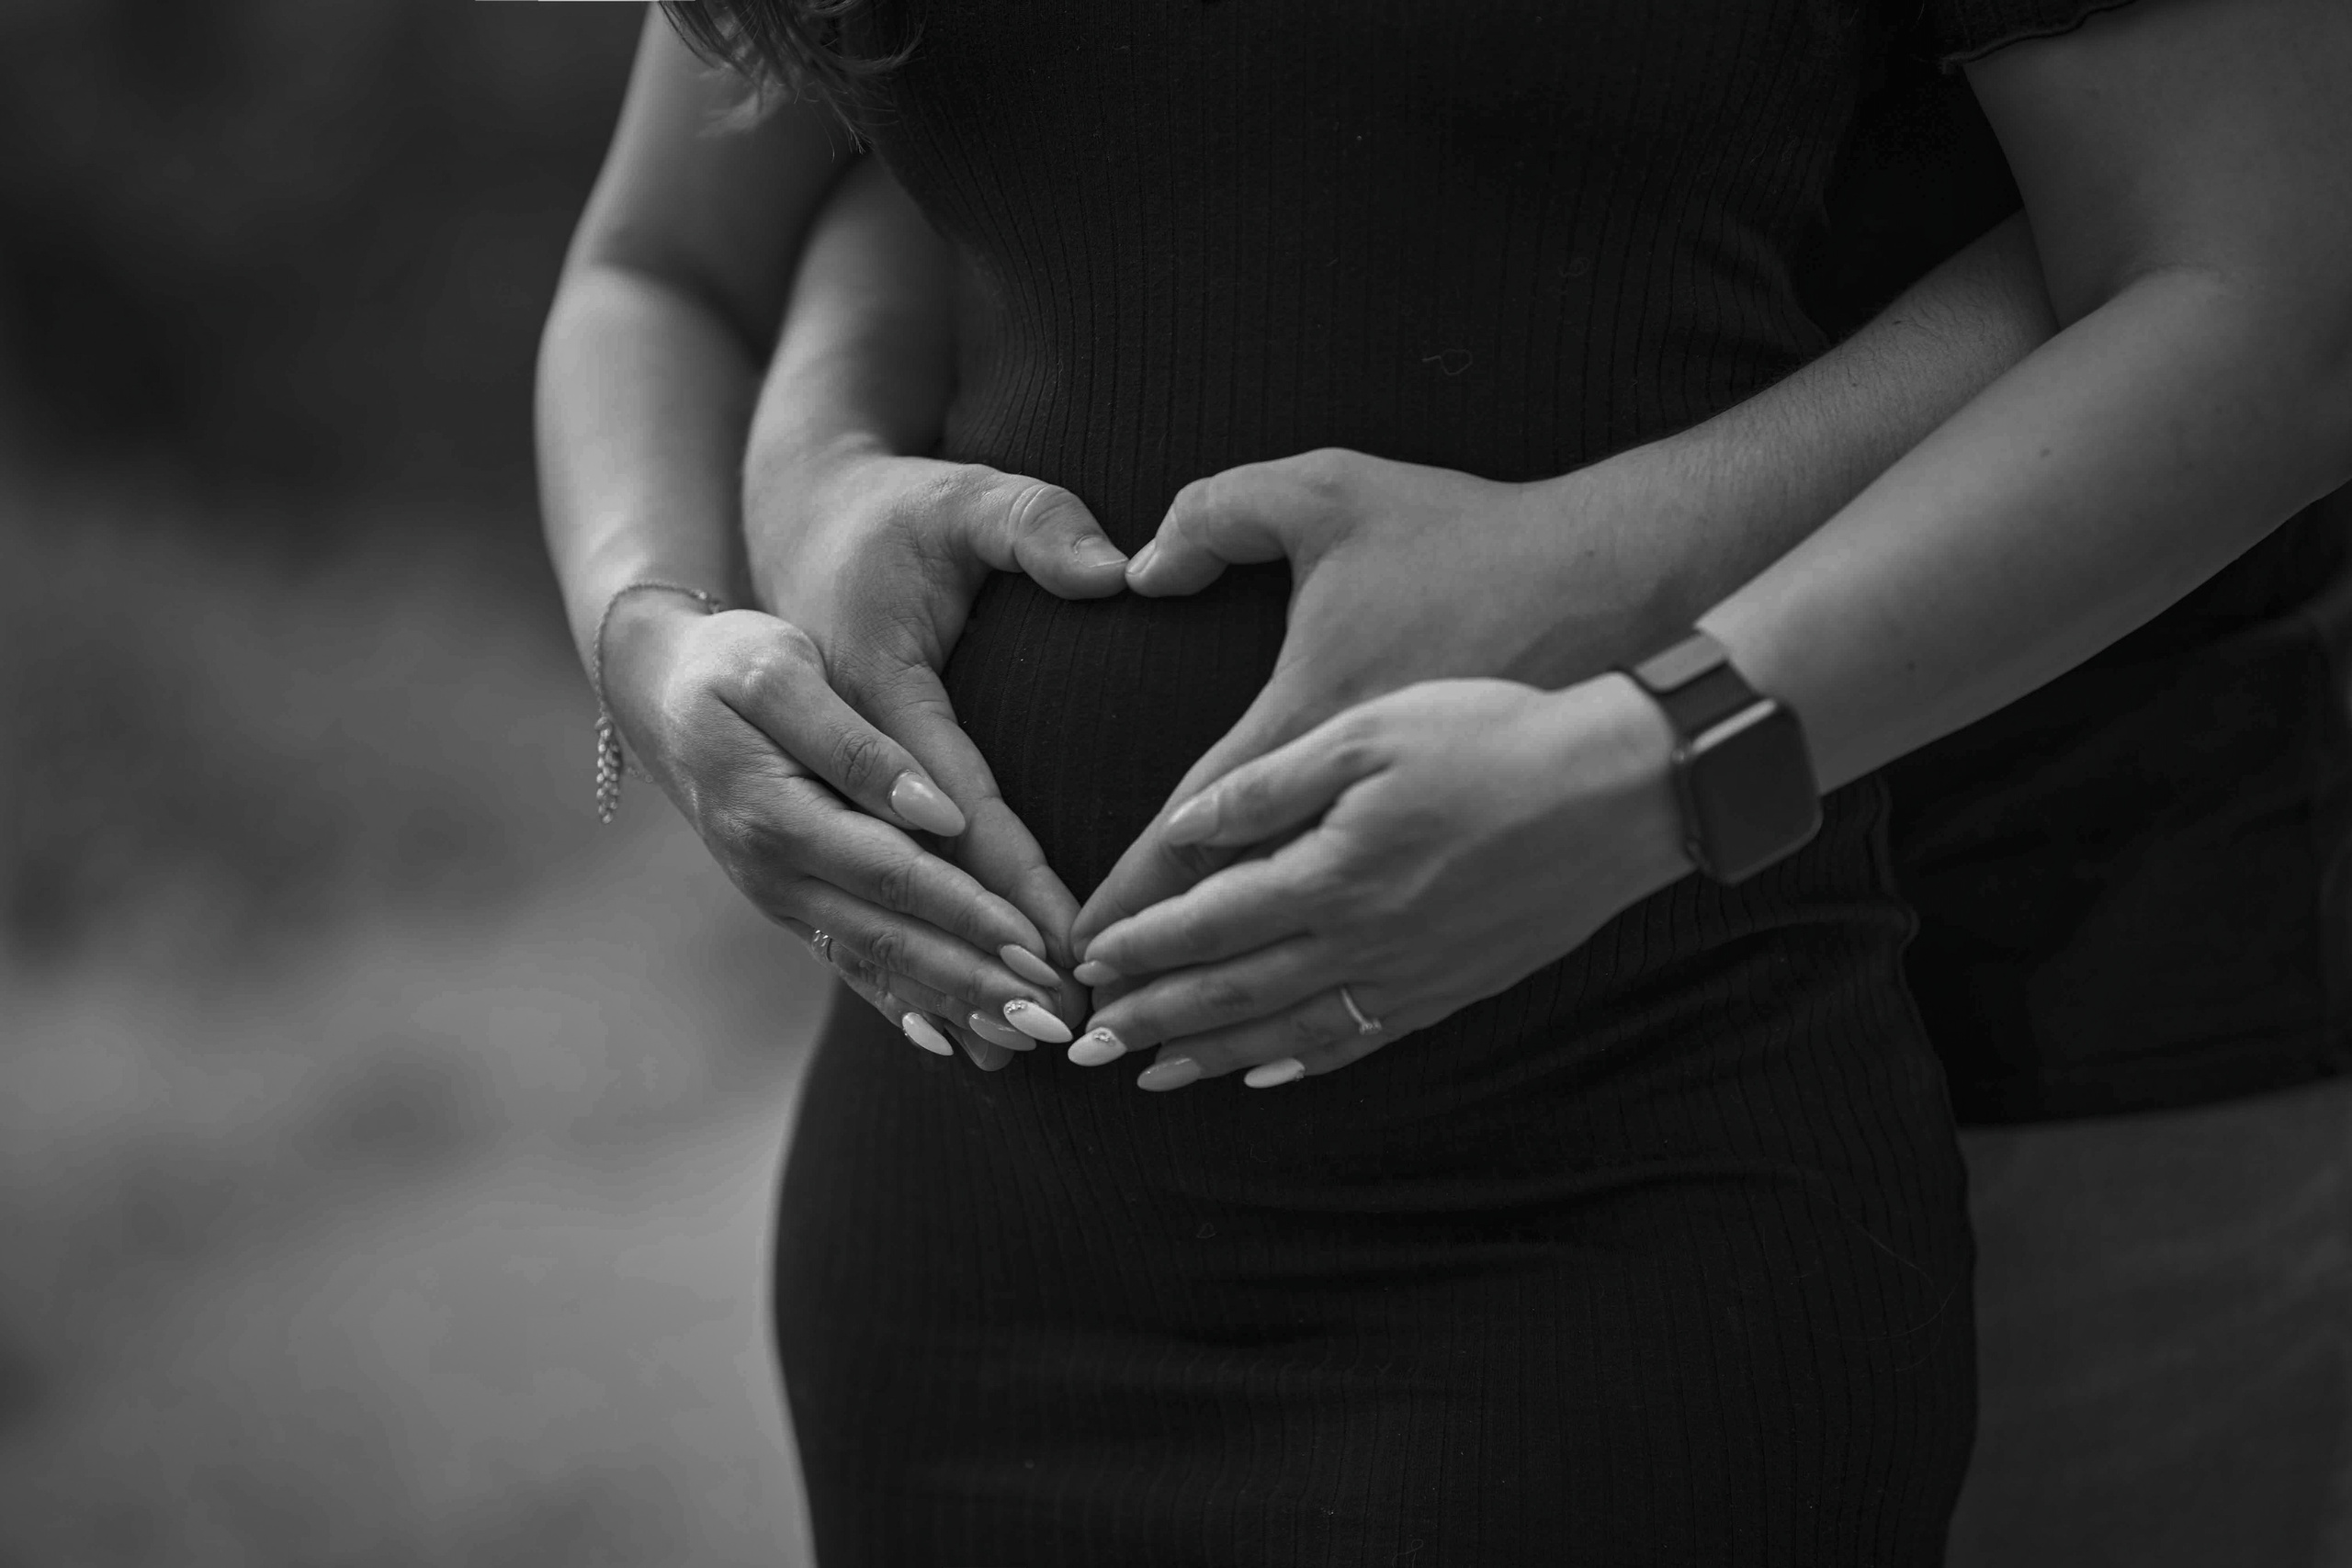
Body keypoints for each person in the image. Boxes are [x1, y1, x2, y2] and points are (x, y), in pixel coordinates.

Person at [536, 2, 2352, 1562]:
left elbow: (2250, 260)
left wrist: (1647, 725)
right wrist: (683, 626)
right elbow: (713, 237)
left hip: (1672, 1120)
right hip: (975, 1222)